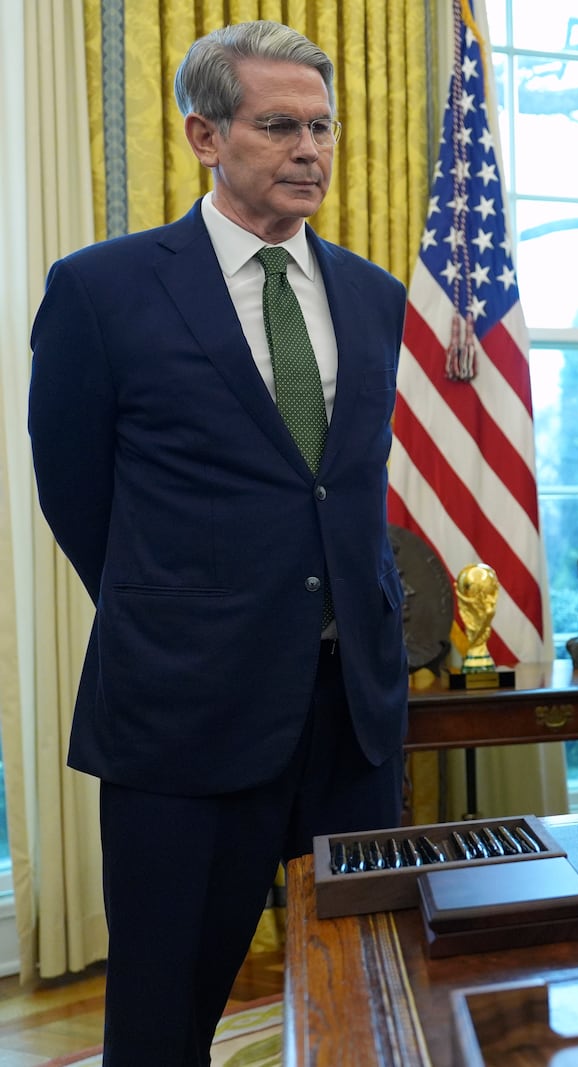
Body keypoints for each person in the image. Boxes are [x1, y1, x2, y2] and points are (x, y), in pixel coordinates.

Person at [28, 21, 408, 1064]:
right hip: (185, 710)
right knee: (162, 1015)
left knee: (372, 1000)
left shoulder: (376, 297)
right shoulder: (101, 290)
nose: (309, 150)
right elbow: (76, 492)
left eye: (322, 126)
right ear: (204, 134)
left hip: (353, 715)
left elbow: (344, 486)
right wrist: (187, 609)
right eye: (278, 124)